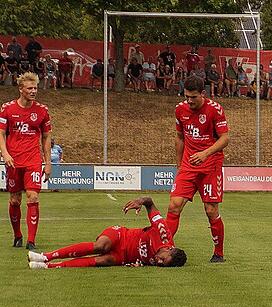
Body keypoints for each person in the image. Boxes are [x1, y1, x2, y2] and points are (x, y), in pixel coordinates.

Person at [166, 75, 229, 262]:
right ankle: (165, 249)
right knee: (174, 206)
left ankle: (218, 253)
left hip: (210, 166)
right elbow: (179, 137)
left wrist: (205, 154)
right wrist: (179, 165)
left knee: (211, 210)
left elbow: (225, 138)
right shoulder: (180, 110)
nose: (189, 101)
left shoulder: (215, 110)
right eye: (187, 96)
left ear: (203, 94)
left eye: (193, 97)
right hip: (188, 166)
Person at [27, 197, 187, 269]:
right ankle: (45, 256)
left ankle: (49, 266)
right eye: (163, 260)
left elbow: (143, 260)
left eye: (163, 265)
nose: (159, 262)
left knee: (102, 261)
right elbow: (150, 202)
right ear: (170, 249)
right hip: (120, 236)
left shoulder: (158, 262)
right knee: (101, 246)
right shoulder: (163, 231)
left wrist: (137, 264)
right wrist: (141, 201)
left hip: (122, 257)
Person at [0, 72, 52, 250]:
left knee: (33, 197)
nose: (33, 91)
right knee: (15, 200)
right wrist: (5, 154)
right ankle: (17, 236)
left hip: (33, 161)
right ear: (21, 89)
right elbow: (0, 133)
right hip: (13, 161)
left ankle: (31, 240)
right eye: (29, 88)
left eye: (35, 88)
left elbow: (46, 137)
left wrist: (48, 163)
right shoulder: (7, 109)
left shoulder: (42, 110)